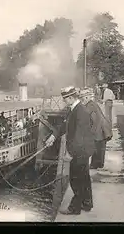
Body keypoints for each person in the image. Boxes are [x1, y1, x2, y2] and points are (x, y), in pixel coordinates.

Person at [45, 86, 95, 215]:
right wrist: (53, 136)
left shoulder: (80, 112)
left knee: (75, 179)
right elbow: (65, 125)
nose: (64, 102)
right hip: (82, 150)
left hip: (80, 151)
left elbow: (79, 136)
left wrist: (70, 153)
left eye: (65, 99)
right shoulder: (74, 109)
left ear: (71, 98)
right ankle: (87, 203)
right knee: (84, 178)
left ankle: (74, 208)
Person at [80, 88, 112, 170]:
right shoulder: (92, 104)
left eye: (82, 98)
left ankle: (94, 165)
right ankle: (99, 164)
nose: (81, 100)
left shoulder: (89, 106)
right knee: (100, 148)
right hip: (102, 128)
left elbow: (94, 120)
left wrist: (91, 132)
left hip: (99, 129)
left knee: (96, 147)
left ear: (87, 97)